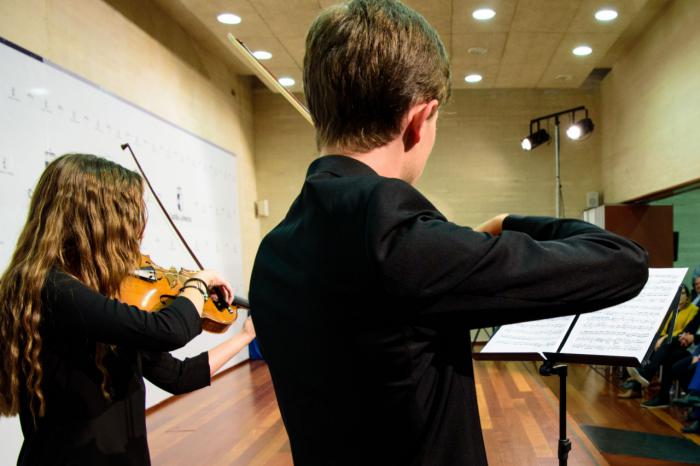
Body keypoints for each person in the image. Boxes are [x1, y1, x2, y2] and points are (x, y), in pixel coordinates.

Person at [249, 1, 649, 465]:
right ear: (420, 120)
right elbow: (623, 260)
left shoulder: (274, 251)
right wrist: (509, 223)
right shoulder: (393, 239)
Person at [0, 153, 256, 465]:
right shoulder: (52, 288)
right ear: (96, 220)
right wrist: (197, 284)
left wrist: (245, 336)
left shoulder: (104, 296)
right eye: (130, 217)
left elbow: (178, 376)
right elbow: (169, 330)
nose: (139, 231)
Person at [619, 284, 698, 399]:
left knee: (664, 349)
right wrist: (658, 338)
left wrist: (663, 338)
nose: (680, 297)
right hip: (669, 343)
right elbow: (663, 327)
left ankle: (640, 380)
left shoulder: (693, 310)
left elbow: (685, 331)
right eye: (677, 294)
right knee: (649, 345)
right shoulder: (673, 309)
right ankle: (640, 379)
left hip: (682, 345)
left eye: (683, 294)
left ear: (688, 295)